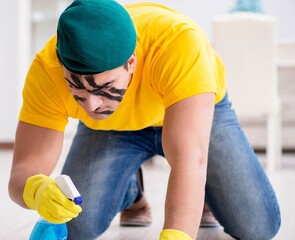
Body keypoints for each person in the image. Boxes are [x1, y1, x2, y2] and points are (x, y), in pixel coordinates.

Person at [8, 0, 281, 239]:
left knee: (257, 227)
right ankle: (131, 191)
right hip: (112, 127)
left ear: (131, 63)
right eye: (77, 88)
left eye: (103, 87)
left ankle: (206, 190)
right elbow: (23, 169)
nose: (91, 104)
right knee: (76, 226)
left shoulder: (179, 43)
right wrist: (37, 188)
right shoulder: (47, 70)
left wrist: (177, 235)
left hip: (190, 112)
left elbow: (189, 158)